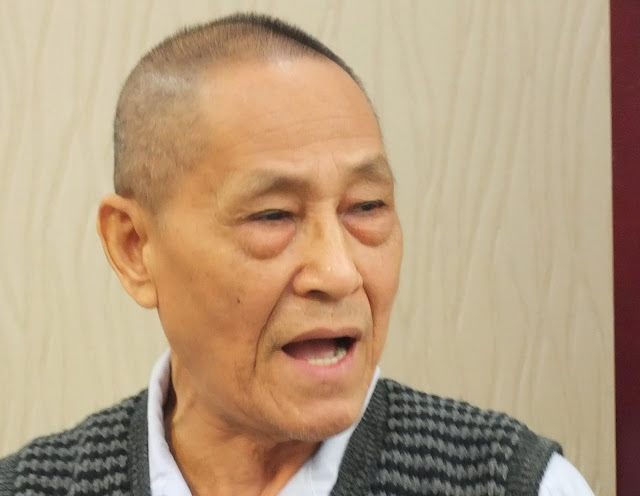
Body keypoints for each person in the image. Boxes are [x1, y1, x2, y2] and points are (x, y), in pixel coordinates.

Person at [0, 13, 594, 496]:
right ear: (134, 247)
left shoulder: (513, 482)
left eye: (367, 207)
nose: (339, 272)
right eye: (273, 216)